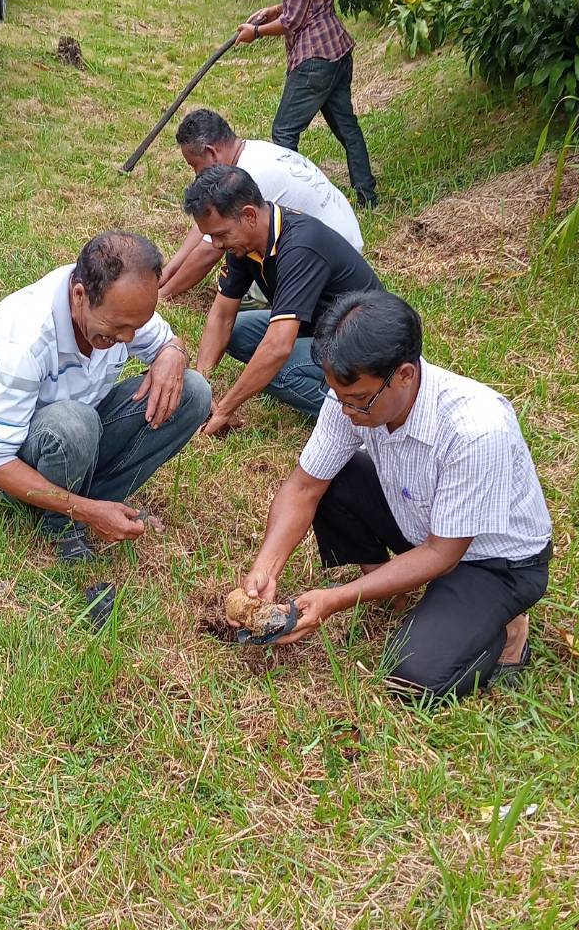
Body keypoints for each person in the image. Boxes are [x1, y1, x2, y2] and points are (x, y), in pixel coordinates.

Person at [237, 290, 553, 698]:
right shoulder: (353, 396)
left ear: (405, 374)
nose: (346, 410)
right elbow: (303, 486)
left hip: (491, 561)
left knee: (412, 678)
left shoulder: (475, 429)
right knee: (337, 476)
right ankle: (395, 589)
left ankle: (505, 631)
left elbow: (443, 553)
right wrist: (266, 566)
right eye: (339, 396)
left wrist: (336, 599)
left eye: (358, 401)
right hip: (420, 519)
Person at [0, 231, 211, 561]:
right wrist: (86, 512)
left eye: (137, 326)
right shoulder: (24, 342)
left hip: (81, 435)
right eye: (118, 328)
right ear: (79, 295)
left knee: (193, 392)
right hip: (17, 466)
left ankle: (95, 500)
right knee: (74, 423)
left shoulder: (121, 306)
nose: (128, 338)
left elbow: (164, 341)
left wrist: (173, 352)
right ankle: (62, 522)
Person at [185, 165, 387, 433]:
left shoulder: (300, 245)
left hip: (365, 345)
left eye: (220, 234)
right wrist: (201, 390)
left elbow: (278, 347)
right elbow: (222, 316)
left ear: (249, 215)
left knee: (278, 368)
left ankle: (367, 408)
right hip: (317, 328)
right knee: (239, 330)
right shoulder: (243, 245)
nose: (216, 245)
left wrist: (224, 410)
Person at [237, 0, 378, 209]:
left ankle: (293, 206)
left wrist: (256, 33)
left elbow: (293, 21)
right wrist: (272, 10)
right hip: (335, 50)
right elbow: (305, 0)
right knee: (347, 128)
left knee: (284, 132)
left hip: (316, 59)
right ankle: (368, 196)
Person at [159, 107, 364, 303]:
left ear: (211, 152)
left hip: (335, 268)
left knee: (247, 268)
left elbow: (209, 252)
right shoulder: (254, 152)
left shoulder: (250, 178)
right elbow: (209, 222)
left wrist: (163, 295)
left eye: (194, 165)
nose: (196, 174)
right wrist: (170, 270)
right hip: (344, 241)